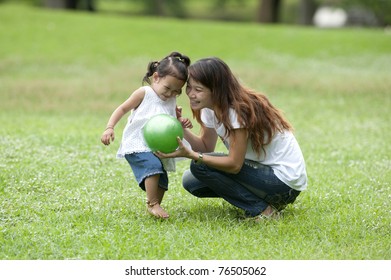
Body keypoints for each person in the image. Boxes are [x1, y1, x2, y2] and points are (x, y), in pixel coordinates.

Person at [156, 57, 307, 220]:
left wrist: (192, 155)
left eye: (198, 90)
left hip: (283, 182)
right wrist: (180, 127)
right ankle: (263, 201)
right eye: (189, 88)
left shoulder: (236, 111)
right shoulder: (209, 108)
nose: (191, 95)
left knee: (199, 165)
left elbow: (234, 165)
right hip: (264, 176)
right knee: (192, 182)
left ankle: (262, 210)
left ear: (217, 90)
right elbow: (206, 147)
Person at [101, 51, 192, 219]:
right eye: (167, 88)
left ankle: (156, 205)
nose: (171, 94)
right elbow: (122, 108)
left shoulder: (171, 100)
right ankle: (152, 204)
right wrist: (109, 127)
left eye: (176, 91)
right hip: (138, 143)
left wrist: (181, 122)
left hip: (158, 146)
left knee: (163, 182)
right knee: (153, 168)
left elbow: (169, 123)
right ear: (156, 77)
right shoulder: (144, 93)